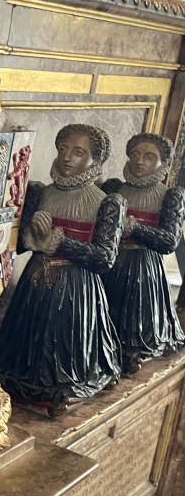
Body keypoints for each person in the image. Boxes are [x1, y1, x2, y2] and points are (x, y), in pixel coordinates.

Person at [0, 124, 125, 413]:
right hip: (35, 284)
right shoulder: (40, 192)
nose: (67, 157)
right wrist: (32, 237)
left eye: (79, 152)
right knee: (24, 350)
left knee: (62, 355)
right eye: (63, 149)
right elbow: (21, 245)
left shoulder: (107, 203)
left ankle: (60, 390)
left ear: (96, 161)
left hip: (76, 291)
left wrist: (59, 242)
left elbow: (103, 258)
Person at [101, 133, 185, 375]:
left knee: (133, 321)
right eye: (135, 155)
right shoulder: (114, 188)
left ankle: (131, 351)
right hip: (111, 261)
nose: (140, 161)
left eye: (149, 157)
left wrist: (137, 228)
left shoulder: (170, 196)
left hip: (142, 267)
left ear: (163, 163)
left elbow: (169, 241)